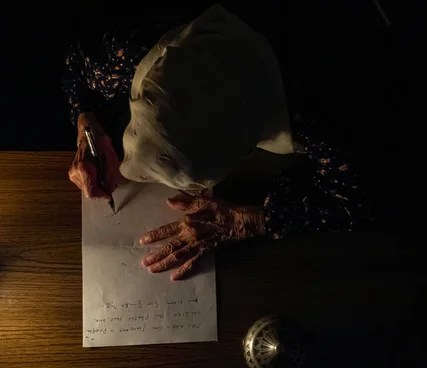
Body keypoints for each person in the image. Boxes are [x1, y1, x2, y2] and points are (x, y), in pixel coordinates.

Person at [63, 5, 372, 280]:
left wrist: (246, 221)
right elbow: (74, 65)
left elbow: (359, 203)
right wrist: (86, 126)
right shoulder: (126, 54)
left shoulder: (326, 119)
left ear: (245, 150)